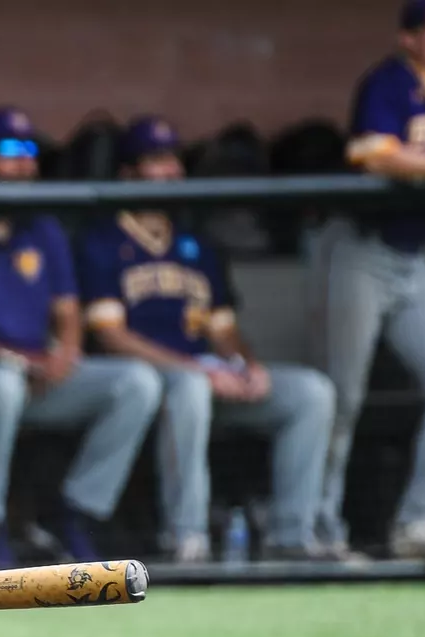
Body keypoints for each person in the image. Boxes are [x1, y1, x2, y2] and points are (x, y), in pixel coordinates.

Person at [79, 116, 337, 563]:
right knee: (192, 389)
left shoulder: (196, 243)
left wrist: (247, 365)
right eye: (156, 161)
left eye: (173, 160)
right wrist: (195, 369)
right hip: (159, 383)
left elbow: (223, 329)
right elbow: (111, 338)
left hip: (210, 377)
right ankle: (187, 537)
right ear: (128, 174)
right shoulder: (101, 240)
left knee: (312, 393)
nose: (171, 171)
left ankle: (292, 533)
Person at [0, 107, 162, 568]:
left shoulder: (43, 226)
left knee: (135, 383)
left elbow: (68, 311)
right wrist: (19, 360)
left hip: (37, 375)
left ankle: (77, 511)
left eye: (30, 151)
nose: (23, 163)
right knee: (0, 385)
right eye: (9, 151)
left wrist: (66, 353)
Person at [306, 0, 425, 562]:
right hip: (362, 251)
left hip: (414, 259)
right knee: (343, 397)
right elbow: (372, 155)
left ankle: (420, 521)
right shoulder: (388, 84)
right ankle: (318, 529)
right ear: (409, 38)